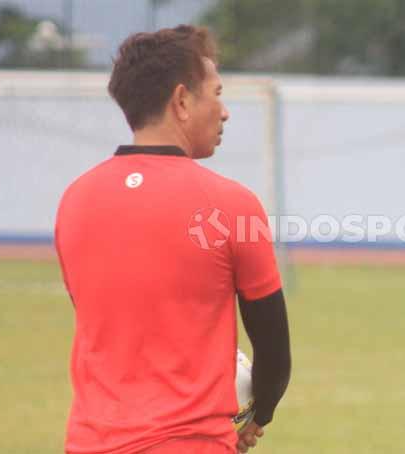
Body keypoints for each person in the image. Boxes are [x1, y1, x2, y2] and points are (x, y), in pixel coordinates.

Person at [55, 25, 291, 454]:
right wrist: (260, 415)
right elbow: (274, 352)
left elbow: (107, 327)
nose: (225, 111)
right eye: (217, 93)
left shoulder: (75, 199)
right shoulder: (234, 205)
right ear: (182, 101)